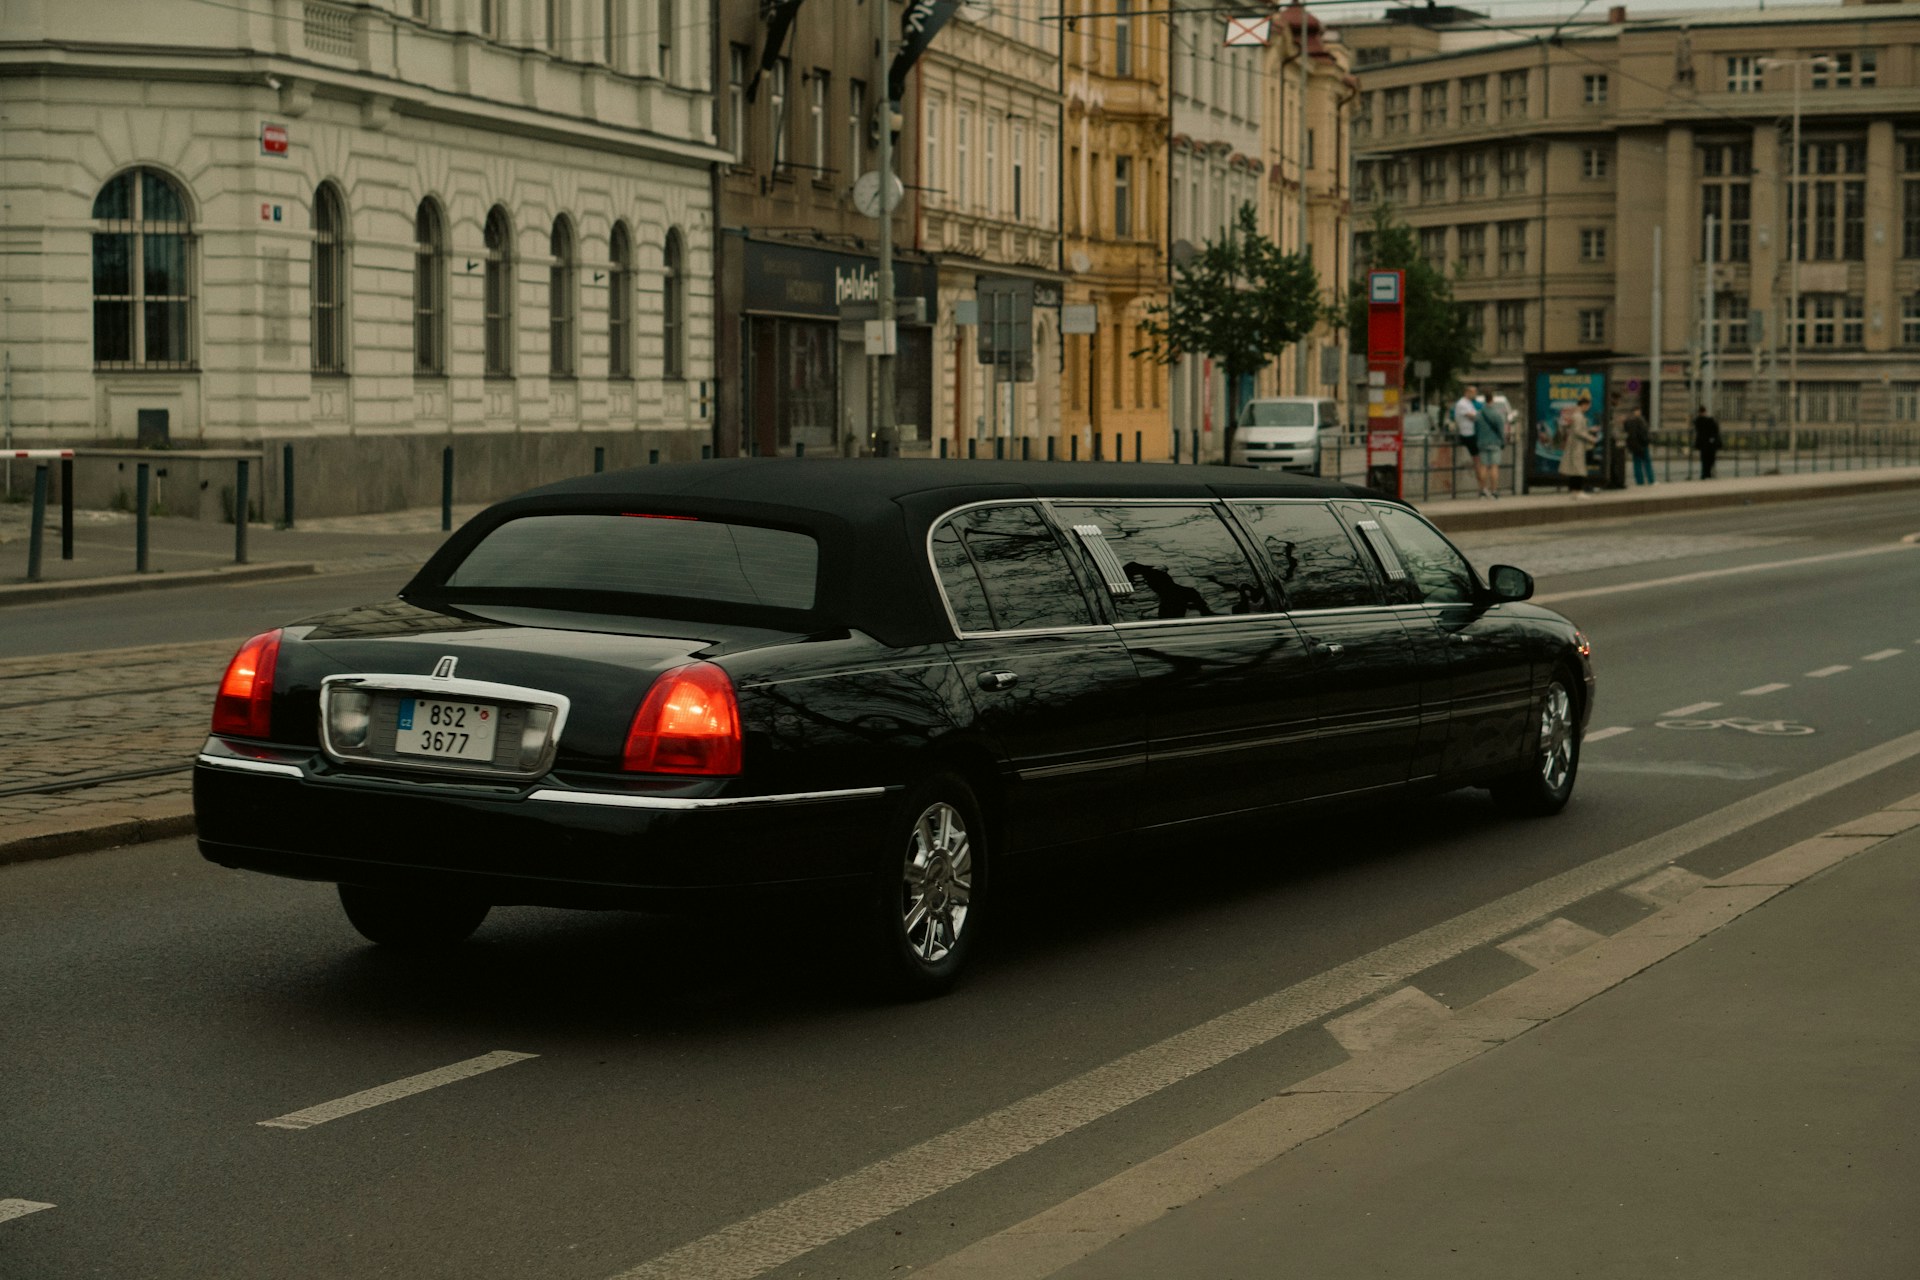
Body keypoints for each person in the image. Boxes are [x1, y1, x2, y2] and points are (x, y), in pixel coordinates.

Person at [1559, 392, 1599, 498]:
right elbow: (1578, 431)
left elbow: (1578, 429)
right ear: (1584, 405)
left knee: (1575, 469)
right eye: (1588, 406)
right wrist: (1591, 438)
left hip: (1575, 445)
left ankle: (1574, 491)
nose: (1588, 408)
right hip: (1577, 446)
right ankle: (1578, 491)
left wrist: (1590, 429)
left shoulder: (1577, 415)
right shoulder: (1578, 416)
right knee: (1578, 469)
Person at [1476, 392, 1510, 497]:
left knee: (1483, 467)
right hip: (1495, 443)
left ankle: (1482, 490)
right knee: (1494, 467)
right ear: (1492, 400)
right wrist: (1503, 441)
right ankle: (1494, 490)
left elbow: (1476, 429)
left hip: (1482, 442)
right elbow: (1501, 430)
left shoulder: (1479, 414)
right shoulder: (1497, 414)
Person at [1452, 384, 1480, 477]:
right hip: (1467, 433)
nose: (1475, 394)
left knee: (1478, 457)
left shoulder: (1469, 403)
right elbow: (1473, 416)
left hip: (1471, 432)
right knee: (1477, 457)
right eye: (1473, 392)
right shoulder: (1462, 404)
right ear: (1467, 392)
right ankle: (1479, 477)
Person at [1624, 404, 1653, 485]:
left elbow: (1628, 433)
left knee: (1637, 464)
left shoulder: (1628, 421)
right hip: (1642, 444)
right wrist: (1648, 441)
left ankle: (1640, 481)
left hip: (1634, 445)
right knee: (1647, 463)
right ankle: (1651, 480)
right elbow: (1644, 433)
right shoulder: (1640, 421)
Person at [1693, 404, 1722, 479]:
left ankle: (1705, 474)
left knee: (1705, 460)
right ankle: (1707, 474)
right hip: (1710, 444)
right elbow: (1715, 430)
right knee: (1710, 459)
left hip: (1704, 444)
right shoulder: (1709, 420)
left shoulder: (1698, 421)